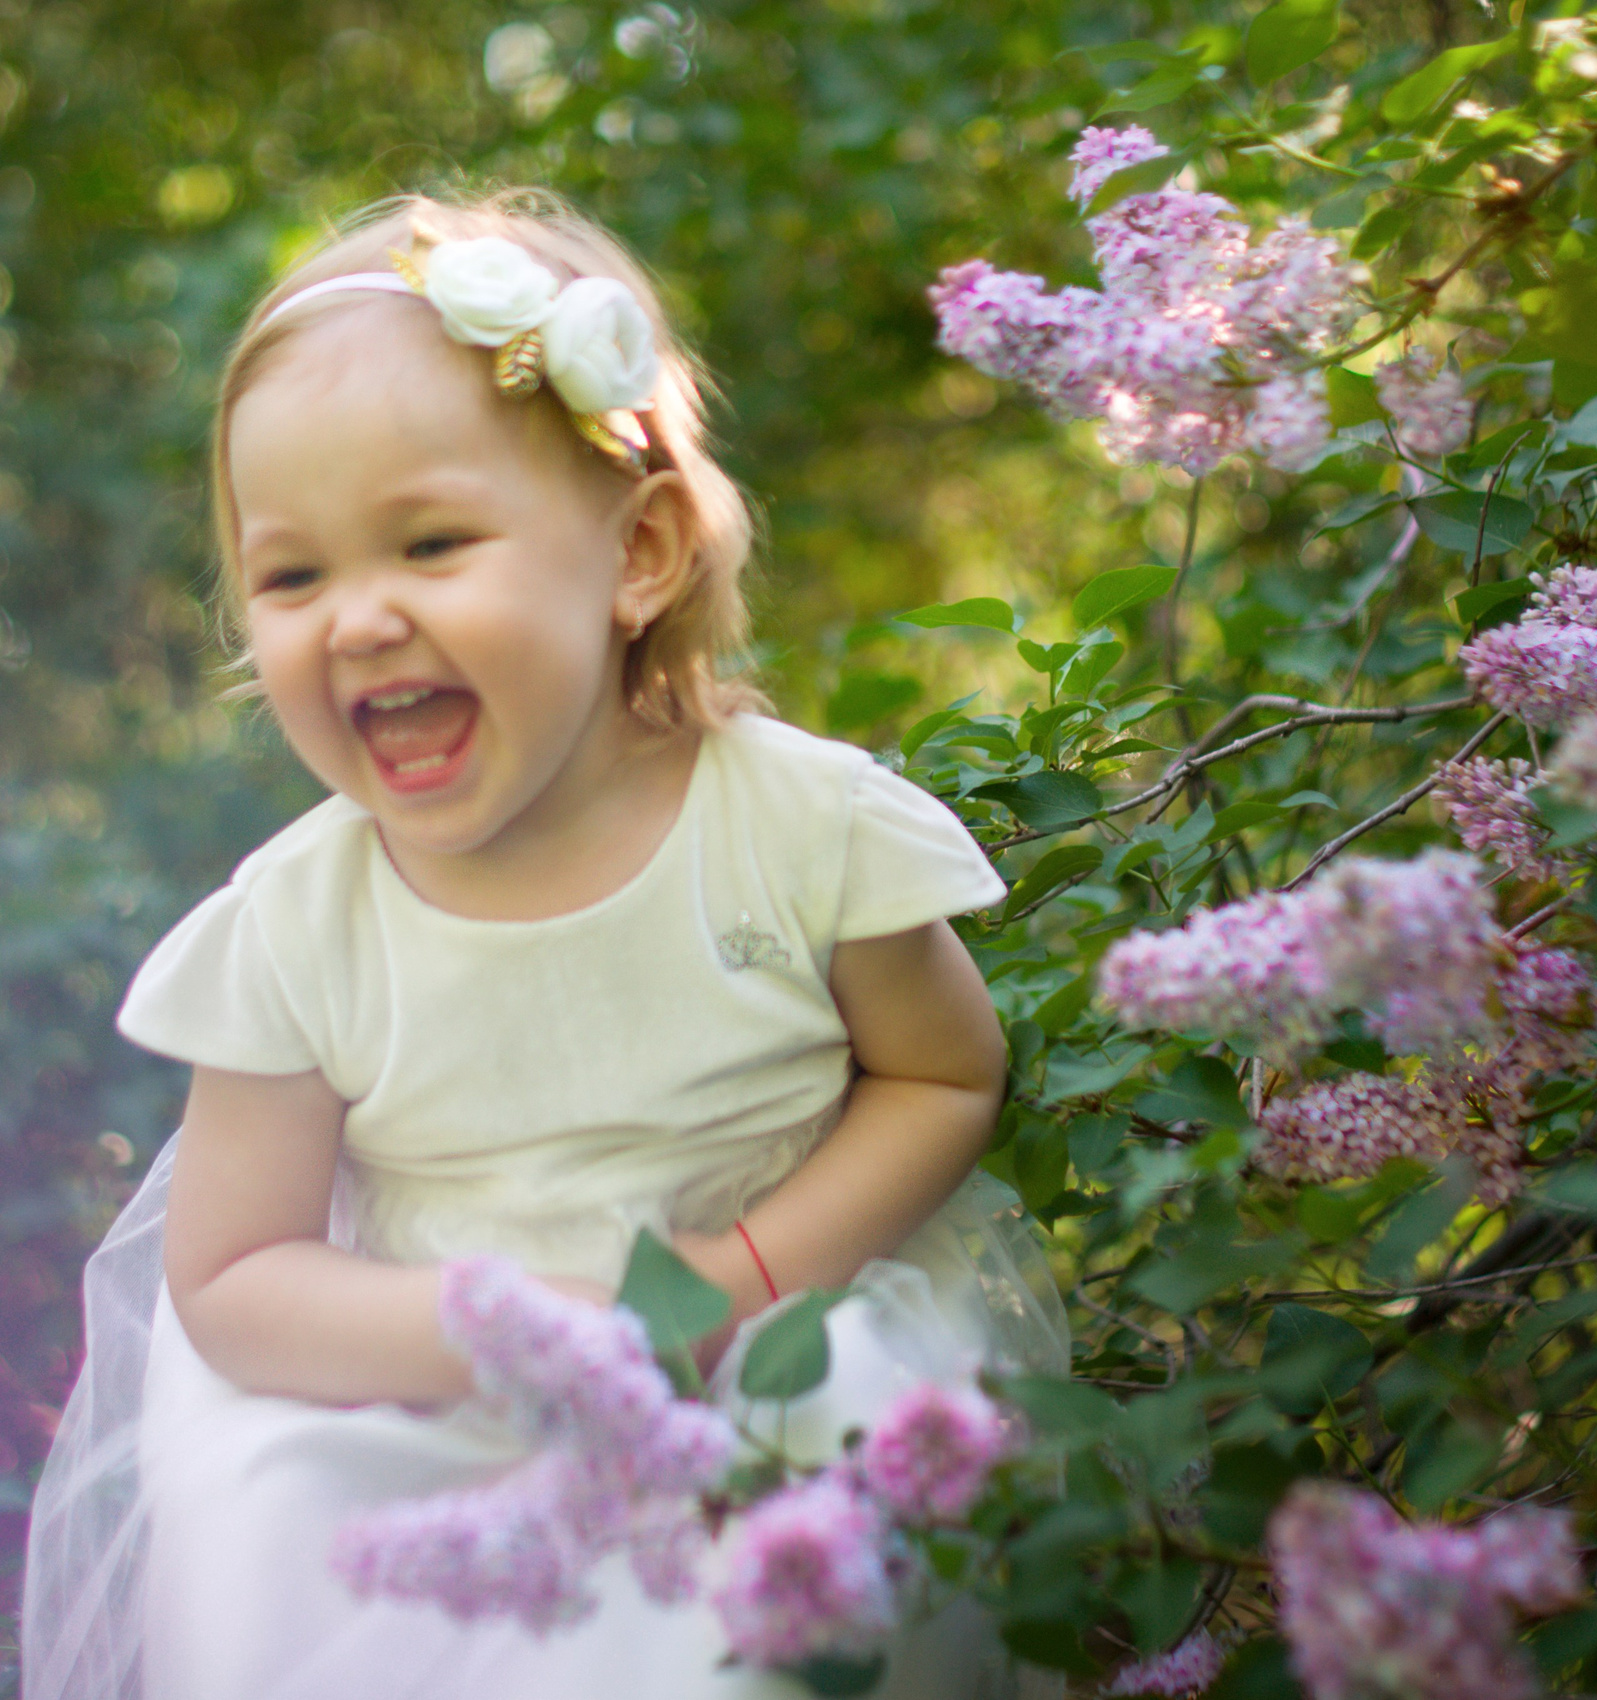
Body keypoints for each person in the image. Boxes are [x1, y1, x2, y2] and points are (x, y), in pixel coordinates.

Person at [21, 189, 1067, 1700]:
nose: (359, 619)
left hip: (764, 1339)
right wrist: (507, 1330)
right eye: (292, 575)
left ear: (638, 554)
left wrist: (733, 1285)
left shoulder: (792, 827)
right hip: (423, 1397)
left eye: (431, 543)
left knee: (775, 1586)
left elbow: (944, 1077)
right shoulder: (299, 925)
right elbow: (238, 1276)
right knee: (267, 1514)